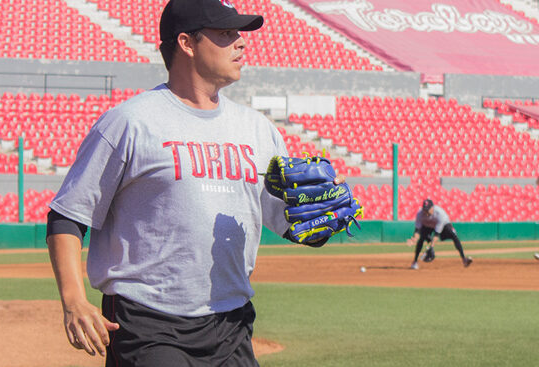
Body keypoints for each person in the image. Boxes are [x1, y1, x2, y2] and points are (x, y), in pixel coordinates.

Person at [45, 1, 343, 365]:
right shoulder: (129, 122)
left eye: (239, 33)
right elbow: (67, 216)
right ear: (187, 43)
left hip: (231, 322)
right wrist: (74, 300)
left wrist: (322, 219)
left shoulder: (258, 130)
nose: (240, 42)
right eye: (225, 33)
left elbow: (291, 223)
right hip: (148, 323)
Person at [406, 199, 472, 270]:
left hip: (444, 225)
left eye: (428, 209)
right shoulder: (420, 214)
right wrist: (414, 239)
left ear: (432, 208)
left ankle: (464, 259)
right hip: (427, 226)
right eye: (424, 209)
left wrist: (431, 247)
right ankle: (415, 262)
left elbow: (436, 234)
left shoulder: (440, 214)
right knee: (421, 239)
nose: (426, 211)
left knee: (454, 236)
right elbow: (417, 230)